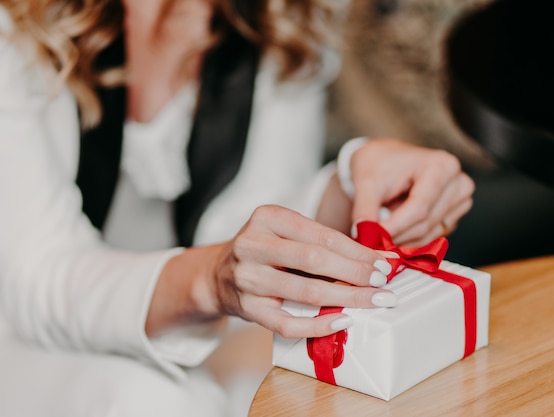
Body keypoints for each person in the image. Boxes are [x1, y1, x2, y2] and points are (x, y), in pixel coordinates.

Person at [0, 0, 475, 416]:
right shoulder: (16, 23)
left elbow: (248, 222)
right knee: (157, 402)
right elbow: (39, 275)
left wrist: (355, 181)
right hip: (21, 327)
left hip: (188, 318)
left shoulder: (295, 10)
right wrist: (208, 279)